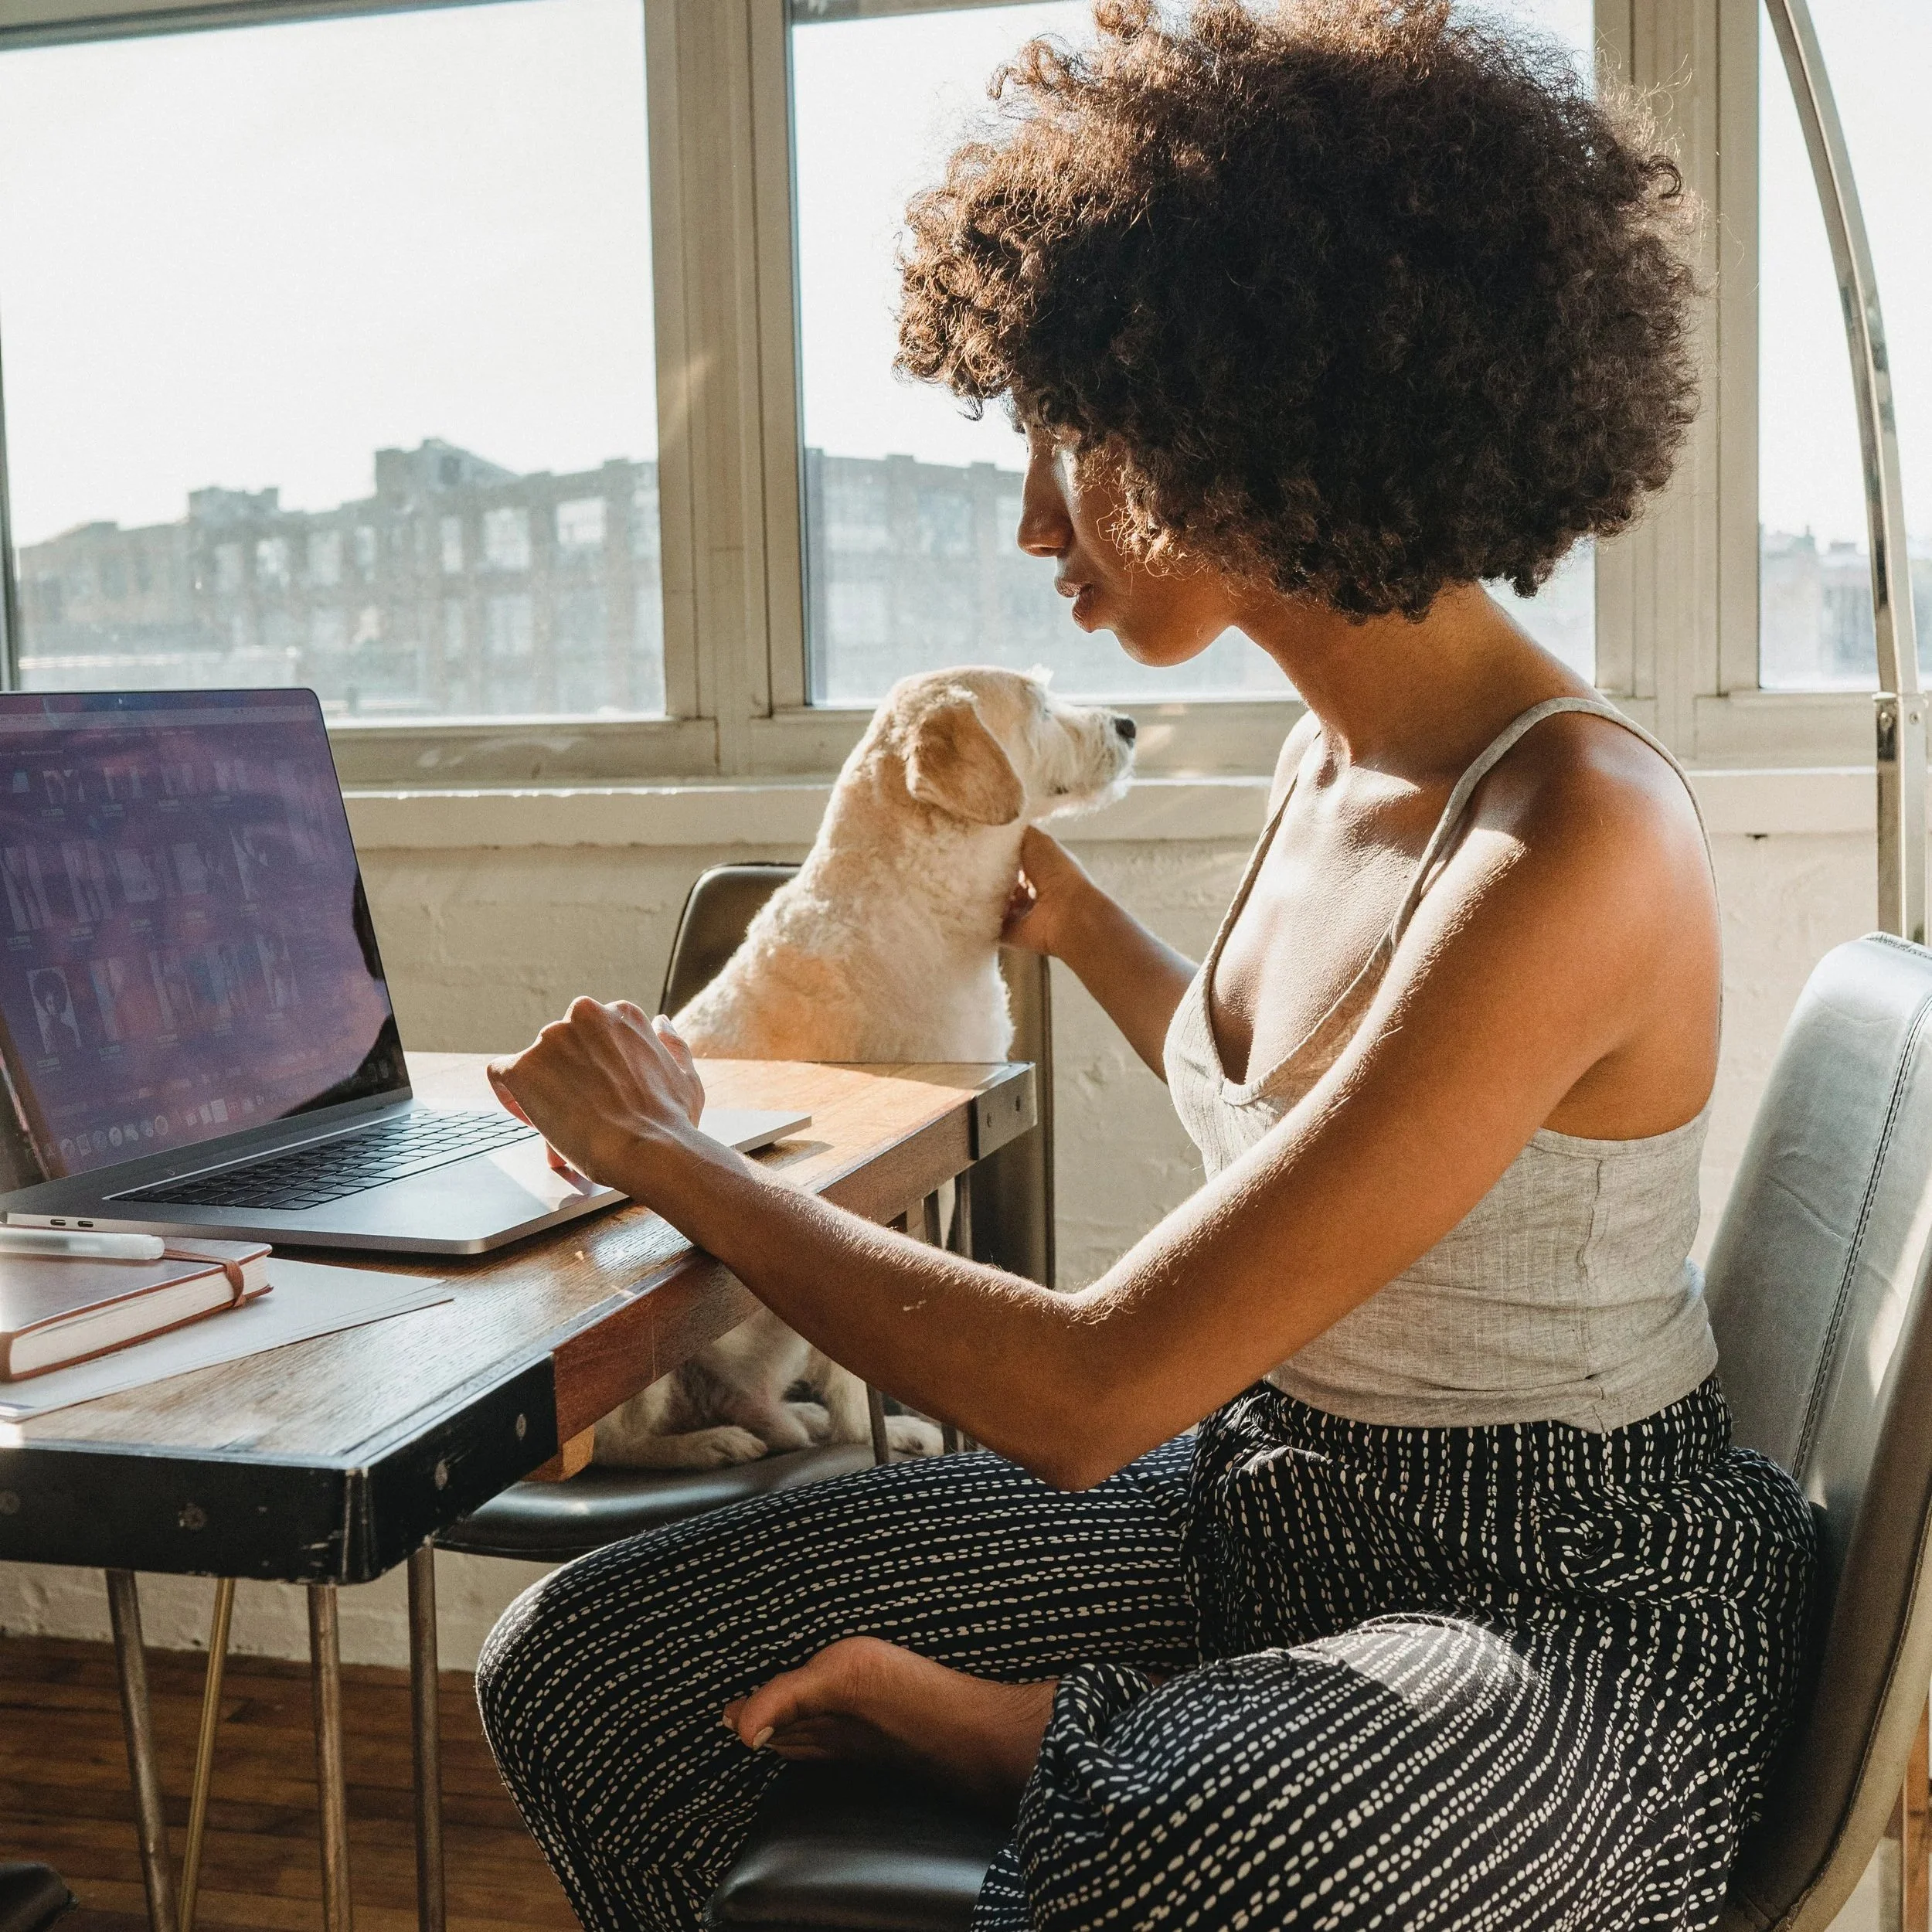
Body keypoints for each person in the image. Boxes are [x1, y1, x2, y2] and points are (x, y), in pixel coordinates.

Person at [474, 5, 1815, 1928]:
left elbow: (1096, 1384)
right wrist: (1083, 925)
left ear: (1254, 417)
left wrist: (667, 1151)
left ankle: (1044, 1738)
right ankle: (1090, 1734)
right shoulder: (1325, 756)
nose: (1034, 519)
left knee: (1209, 1835)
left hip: (1556, 1590)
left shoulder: (1577, 836)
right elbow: (1305, 1095)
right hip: (1254, 1501)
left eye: (1072, 442)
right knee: (585, 1664)